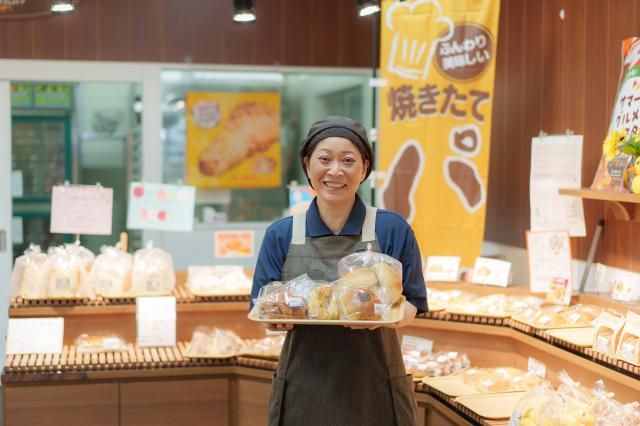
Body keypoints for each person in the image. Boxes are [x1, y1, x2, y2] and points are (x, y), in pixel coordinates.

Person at [250, 116, 428, 426]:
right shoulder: (281, 234)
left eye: (348, 160)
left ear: (365, 168)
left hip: (375, 388)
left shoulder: (391, 228)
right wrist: (275, 320)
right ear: (307, 165)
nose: (335, 171)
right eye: (324, 159)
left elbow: (413, 302)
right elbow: (261, 306)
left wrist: (385, 316)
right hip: (304, 388)